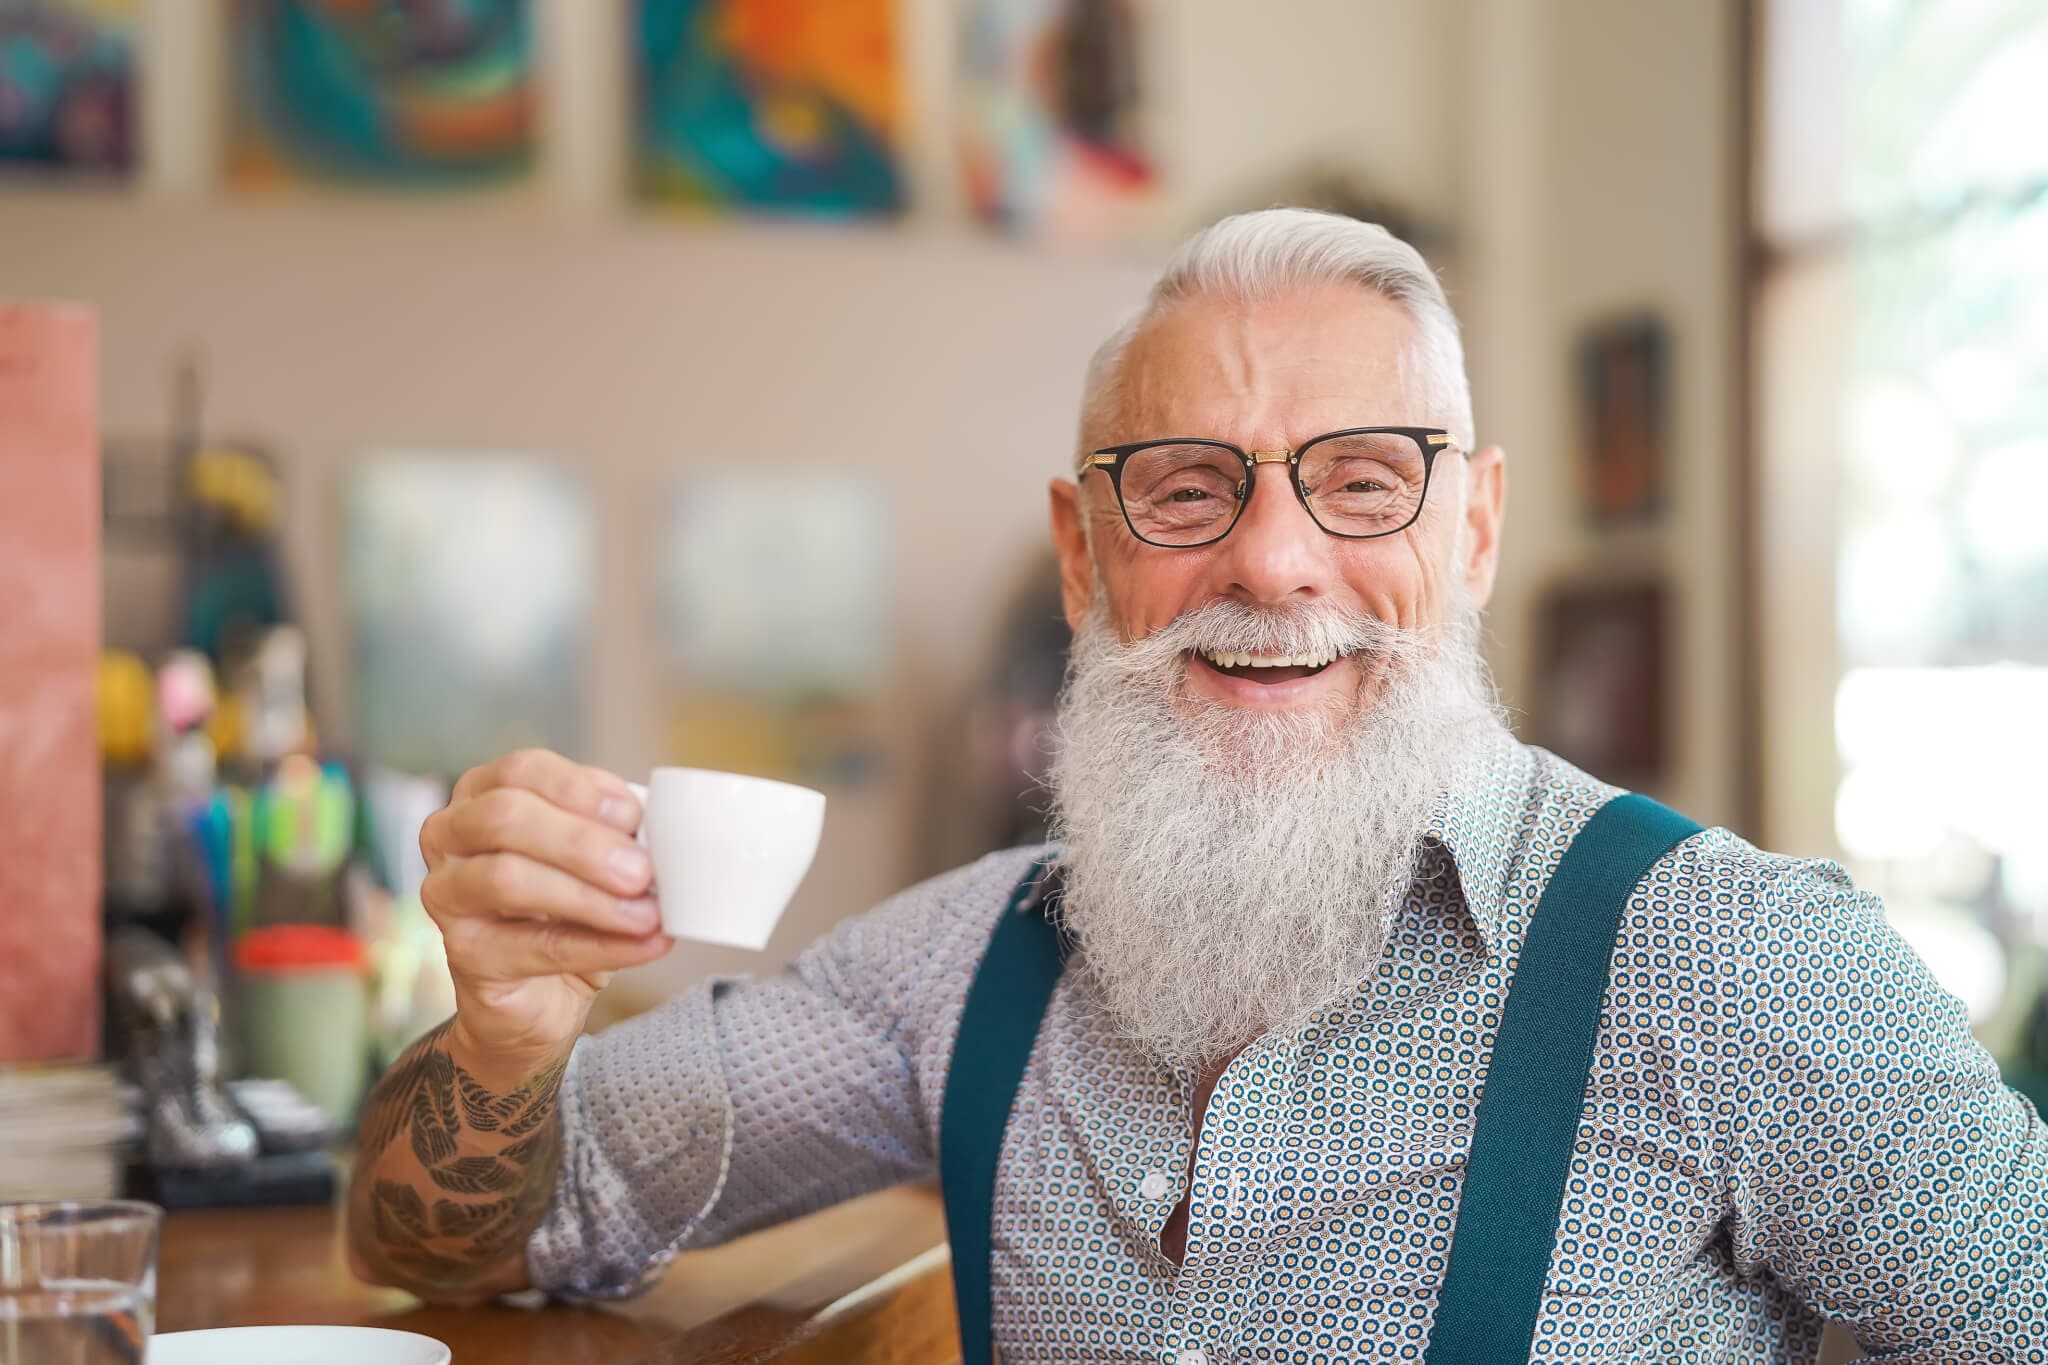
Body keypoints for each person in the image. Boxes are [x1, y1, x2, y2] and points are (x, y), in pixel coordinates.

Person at [347, 209, 2047, 1362]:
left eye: (1363, 482)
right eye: (1186, 488)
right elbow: (446, 1240)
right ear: (1084, 557)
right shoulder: (955, 969)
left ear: (1471, 531)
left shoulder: (1729, 965)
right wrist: (500, 1038)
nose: (1277, 561)